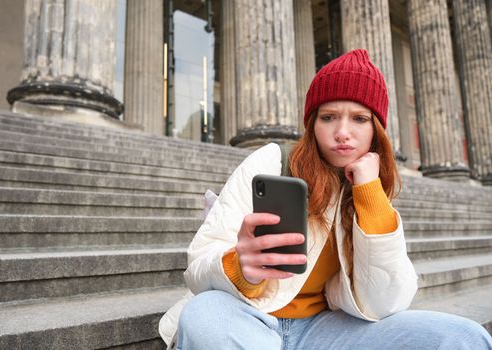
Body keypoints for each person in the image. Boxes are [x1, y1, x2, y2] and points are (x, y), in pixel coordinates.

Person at [159, 49, 492, 349]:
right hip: (245, 317)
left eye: (359, 119)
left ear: (376, 129)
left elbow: (384, 304)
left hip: (322, 330)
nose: (342, 132)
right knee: (204, 316)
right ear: (312, 123)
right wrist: (238, 267)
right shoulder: (272, 161)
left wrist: (370, 194)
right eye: (328, 116)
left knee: (464, 337)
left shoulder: (368, 190)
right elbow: (199, 265)